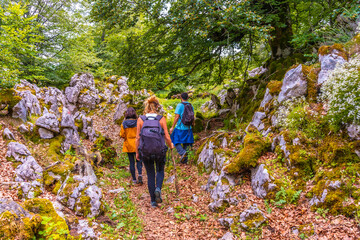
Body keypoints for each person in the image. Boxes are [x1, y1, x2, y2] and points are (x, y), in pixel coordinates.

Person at [136, 96, 174, 208]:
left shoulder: (141, 119)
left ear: (147, 106)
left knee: (150, 174)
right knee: (160, 171)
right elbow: (166, 136)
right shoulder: (161, 119)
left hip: (146, 151)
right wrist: (170, 145)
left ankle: (153, 201)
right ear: (157, 106)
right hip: (159, 151)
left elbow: (137, 138)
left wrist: (137, 152)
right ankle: (158, 188)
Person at [120, 107, 143, 185]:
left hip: (128, 144)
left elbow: (122, 135)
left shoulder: (124, 123)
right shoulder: (138, 122)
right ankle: (140, 174)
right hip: (138, 143)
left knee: (131, 162)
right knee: (139, 160)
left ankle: (134, 179)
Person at [170, 92, 194, 164]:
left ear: (181, 98)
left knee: (175, 139)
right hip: (188, 128)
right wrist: (193, 125)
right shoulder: (190, 105)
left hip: (180, 127)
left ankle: (182, 152)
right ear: (187, 98)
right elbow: (193, 116)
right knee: (186, 143)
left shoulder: (180, 105)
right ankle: (185, 161)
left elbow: (177, 116)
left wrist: (172, 127)